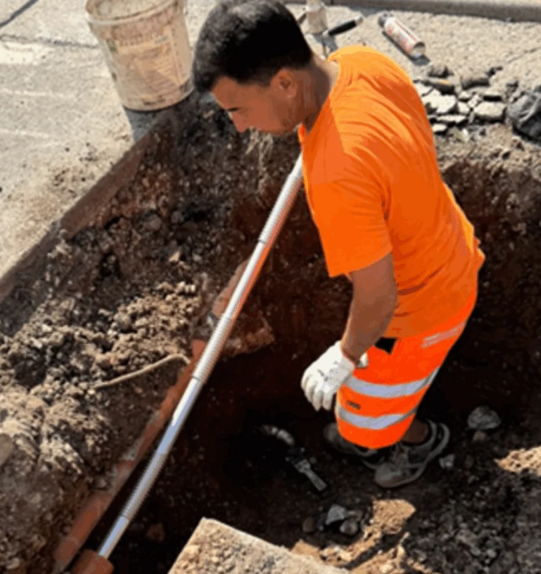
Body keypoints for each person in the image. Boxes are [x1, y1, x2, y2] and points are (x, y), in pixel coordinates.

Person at [192, 0, 484, 488]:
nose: (238, 126)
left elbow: (379, 296)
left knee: (362, 424)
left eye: (238, 109)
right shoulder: (360, 63)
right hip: (447, 241)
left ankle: (418, 441)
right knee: (366, 400)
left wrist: (344, 357)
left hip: (422, 309)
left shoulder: (336, 174)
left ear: (285, 83)